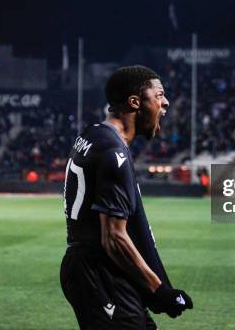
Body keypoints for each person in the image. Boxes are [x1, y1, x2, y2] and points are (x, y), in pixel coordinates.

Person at [60, 66, 193, 329]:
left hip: (93, 269)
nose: (165, 102)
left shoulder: (93, 134)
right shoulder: (113, 152)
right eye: (159, 95)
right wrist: (159, 291)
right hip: (99, 274)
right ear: (135, 102)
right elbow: (113, 238)